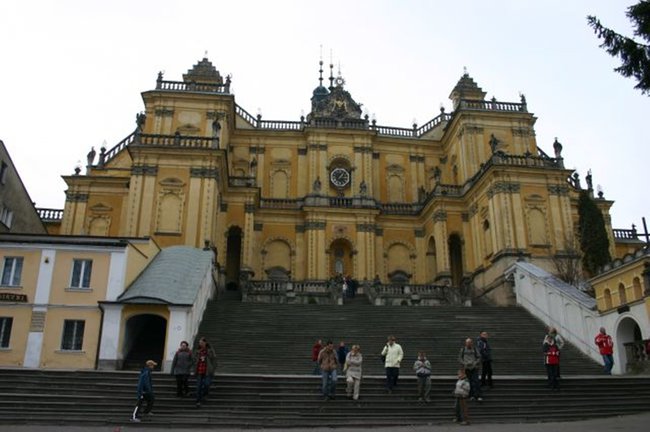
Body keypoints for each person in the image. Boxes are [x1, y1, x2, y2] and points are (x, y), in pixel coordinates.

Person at [193, 337, 217, 408]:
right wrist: (195, 363)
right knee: (198, 387)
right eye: (199, 343)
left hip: (207, 371)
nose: (200, 344)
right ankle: (198, 401)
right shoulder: (197, 351)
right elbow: (194, 359)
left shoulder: (210, 350)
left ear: (205, 343)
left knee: (207, 384)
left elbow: (214, 360)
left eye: (201, 343)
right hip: (199, 371)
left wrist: (212, 369)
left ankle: (205, 394)